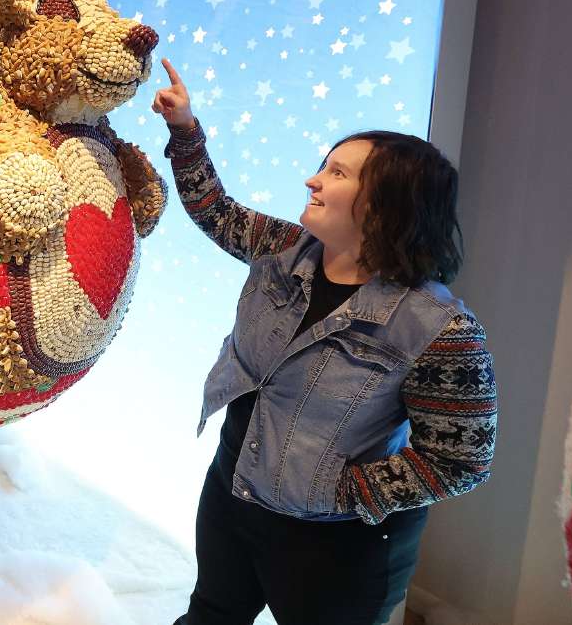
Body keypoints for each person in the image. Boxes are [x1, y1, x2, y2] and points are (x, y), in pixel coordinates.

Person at [153, 59, 497, 625]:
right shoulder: (283, 250)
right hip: (233, 492)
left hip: (335, 546)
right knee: (211, 613)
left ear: (388, 205)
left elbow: (462, 460)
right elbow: (214, 210)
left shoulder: (440, 331)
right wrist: (185, 130)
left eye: (337, 173)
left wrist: (340, 491)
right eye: (323, 167)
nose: (314, 180)